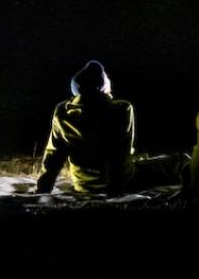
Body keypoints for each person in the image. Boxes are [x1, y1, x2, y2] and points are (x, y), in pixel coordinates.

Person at [35, 60, 137, 194]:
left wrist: (42, 189)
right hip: (120, 183)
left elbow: (53, 155)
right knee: (171, 165)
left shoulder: (62, 111)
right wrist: (115, 191)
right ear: (104, 86)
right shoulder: (121, 108)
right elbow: (120, 153)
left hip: (83, 185)